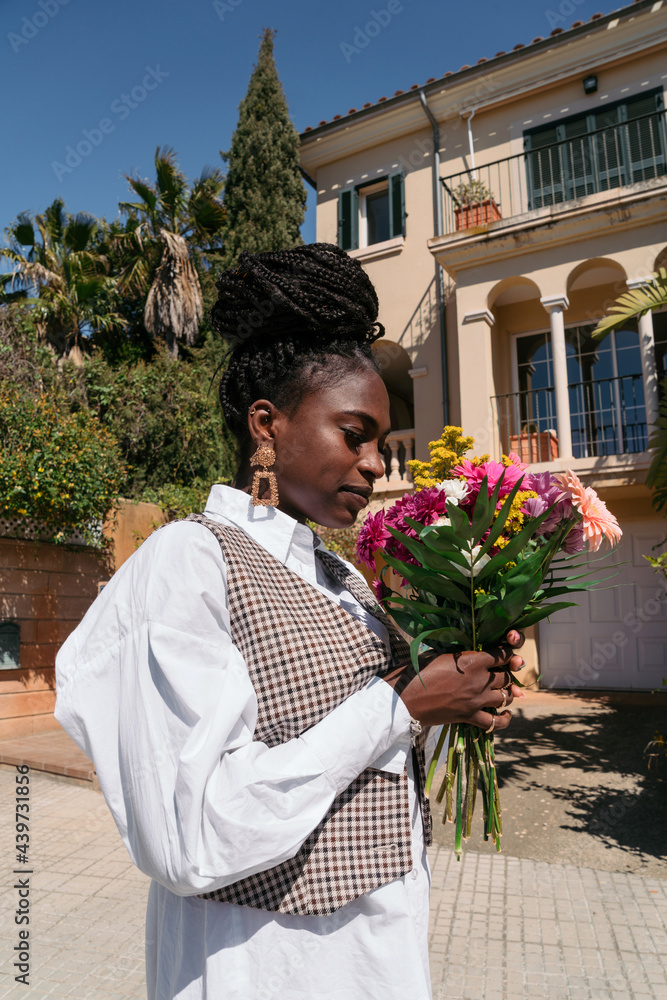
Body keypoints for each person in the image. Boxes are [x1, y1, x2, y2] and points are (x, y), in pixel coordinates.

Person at [55, 243, 524, 1000]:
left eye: (379, 440)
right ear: (266, 425)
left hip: (373, 954)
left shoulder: (338, 577)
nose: (376, 463)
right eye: (355, 433)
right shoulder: (187, 563)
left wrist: (456, 699)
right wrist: (399, 707)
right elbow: (189, 836)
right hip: (263, 963)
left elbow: (369, 743)